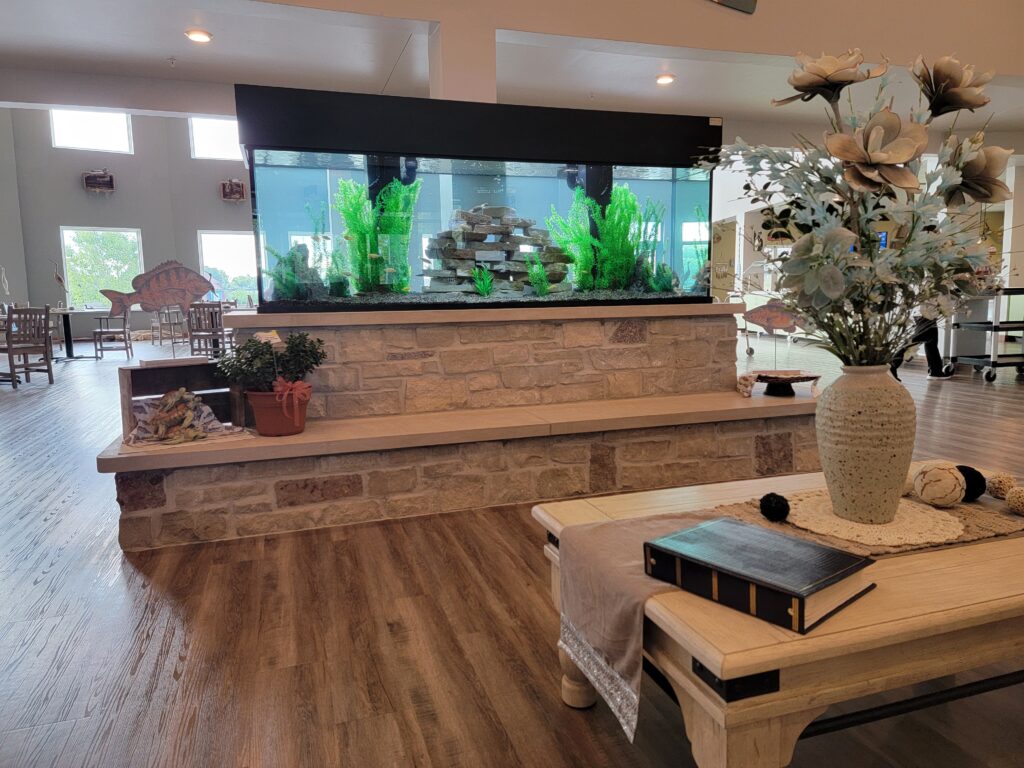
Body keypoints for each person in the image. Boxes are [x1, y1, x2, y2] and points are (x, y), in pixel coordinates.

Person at [891, 316, 952, 380]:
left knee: (931, 341)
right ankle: (891, 367)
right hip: (926, 313)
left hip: (928, 312)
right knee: (918, 339)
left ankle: (935, 371)